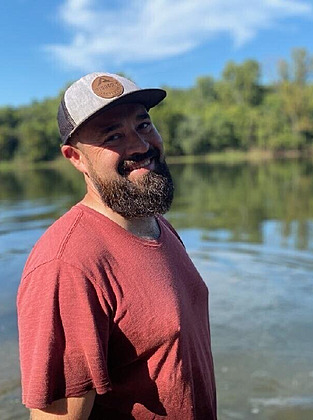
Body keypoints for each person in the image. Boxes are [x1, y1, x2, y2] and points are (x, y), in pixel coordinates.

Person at [17, 72, 217, 419]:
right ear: (76, 158)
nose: (140, 146)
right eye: (113, 136)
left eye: (143, 125)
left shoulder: (156, 223)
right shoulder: (67, 267)